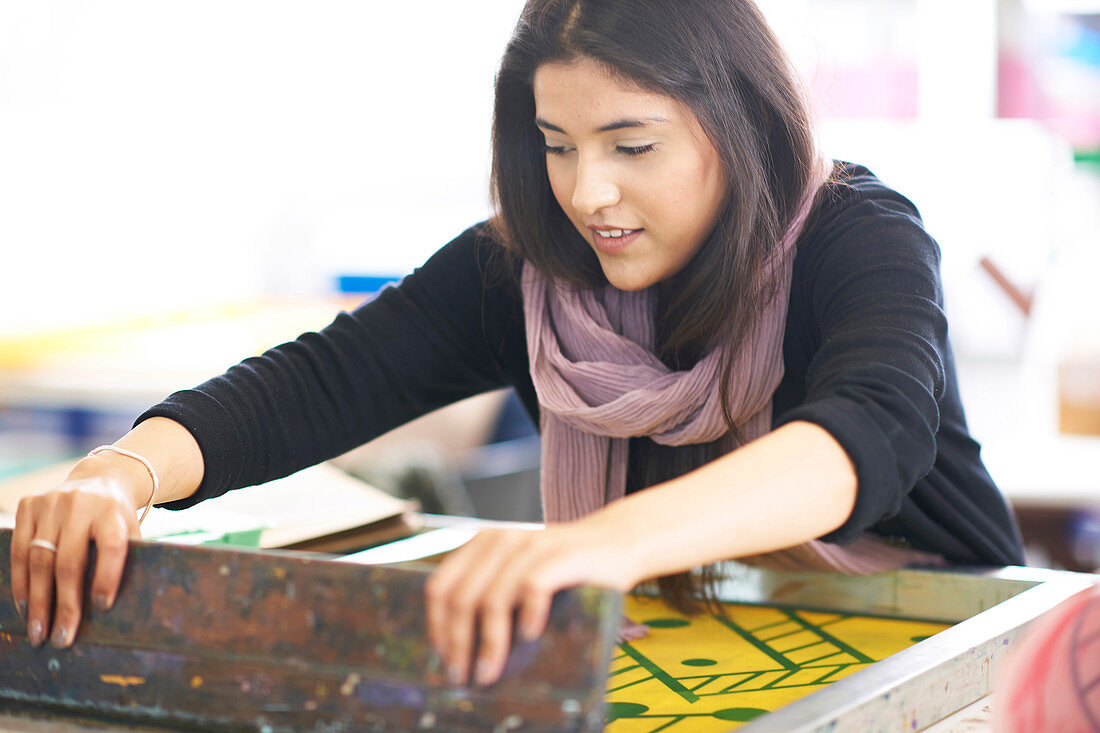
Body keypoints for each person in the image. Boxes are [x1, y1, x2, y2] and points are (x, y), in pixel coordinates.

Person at [10, 0, 1023, 690]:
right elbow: (326, 380)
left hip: (937, 650)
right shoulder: (527, 268)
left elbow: (862, 436)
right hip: (688, 646)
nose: (586, 194)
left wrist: (592, 546)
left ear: (743, 123)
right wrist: (123, 471)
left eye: (632, 147)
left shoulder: (855, 232)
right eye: (554, 147)